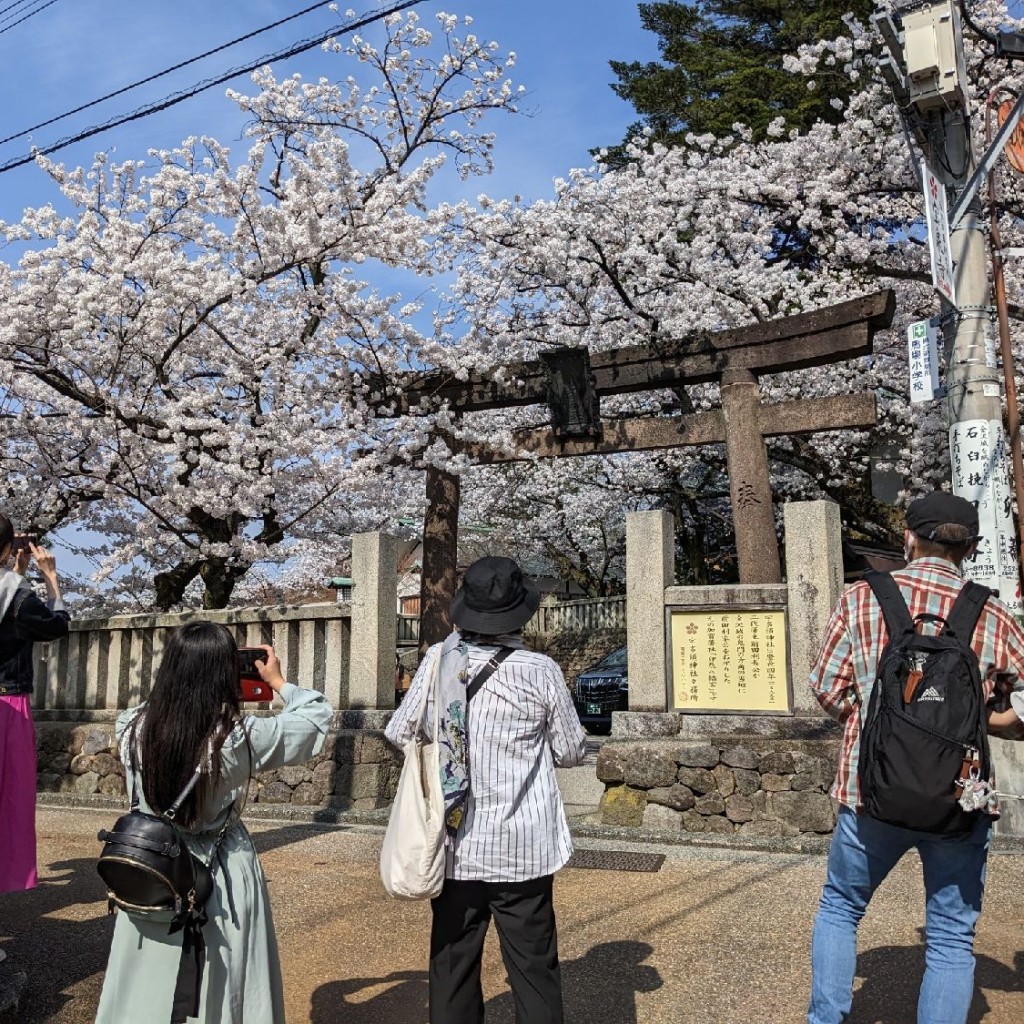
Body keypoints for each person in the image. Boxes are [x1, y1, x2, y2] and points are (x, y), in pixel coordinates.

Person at [807, 491, 1024, 1024]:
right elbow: (1019, 710)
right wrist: (978, 723)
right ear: (970, 548)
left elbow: (827, 688)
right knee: (951, 935)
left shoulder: (862, 598)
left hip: (870, 792)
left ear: (908, 538)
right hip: (960, 796)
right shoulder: (993, 612)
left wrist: (879, 728)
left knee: (841, 907)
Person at [95, 621, 333, 1024]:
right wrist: (278, 682)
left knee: (145, 966)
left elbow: (162, 724)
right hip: (217, 867)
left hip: (153, 863)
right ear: (225, 673)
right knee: (223, 964)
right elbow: (314, 720)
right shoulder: (238, 735)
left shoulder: (131, 726)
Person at [385, 556, 587, 1024]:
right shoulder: (541, 671)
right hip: (524, 847)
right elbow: (573, 750)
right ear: (521, 612)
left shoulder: (439, 661)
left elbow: (399, 731)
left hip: (453, 843)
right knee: (534, 967)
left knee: (453, 965)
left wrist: (447, 748)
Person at [0, 516, 70, 896]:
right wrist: (50, 580)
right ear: (9, 548)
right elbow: (56, 626)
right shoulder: (18, 595)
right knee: (7, 804)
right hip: (6, 703)